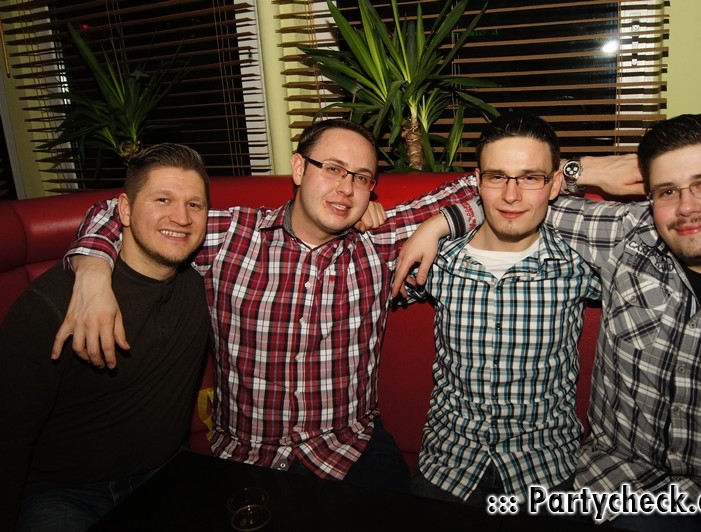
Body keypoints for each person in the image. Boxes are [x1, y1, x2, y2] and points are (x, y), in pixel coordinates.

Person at [54, 118, 646, 495]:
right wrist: (92, 272)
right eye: (332, 169)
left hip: (350, 450)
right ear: (298, 169)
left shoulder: (380, 242)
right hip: (243, 456)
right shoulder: (230, 234)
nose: (345, 187)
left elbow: (490, 186)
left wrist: (579, 170)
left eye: (361, 177)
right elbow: (123, 212)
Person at [395, 114, 701, 531]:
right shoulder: (628, 236)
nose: (687, 206)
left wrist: (571, 171)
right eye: (666, 190)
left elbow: (527, 197)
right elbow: (503, 202)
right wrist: (440, 223)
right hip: (611, 485)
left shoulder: (579, 258)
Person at [391, 112, 601, 507]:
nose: (511, 195)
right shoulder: (439, 260)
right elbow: (364, 262)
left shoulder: (577, 263)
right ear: (478, 181)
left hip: (546, 468)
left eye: (530, 177)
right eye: (497, 176)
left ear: (555, 183)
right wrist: (432, 225)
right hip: (448, 465)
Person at [0, 143, 212, 531]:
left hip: (166, 471)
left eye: (194, 205)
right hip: (64, 493)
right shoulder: (56, 304)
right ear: (125, 210)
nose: (181, 217)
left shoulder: (206, 287)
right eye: (162, 199)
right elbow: (9, 433)